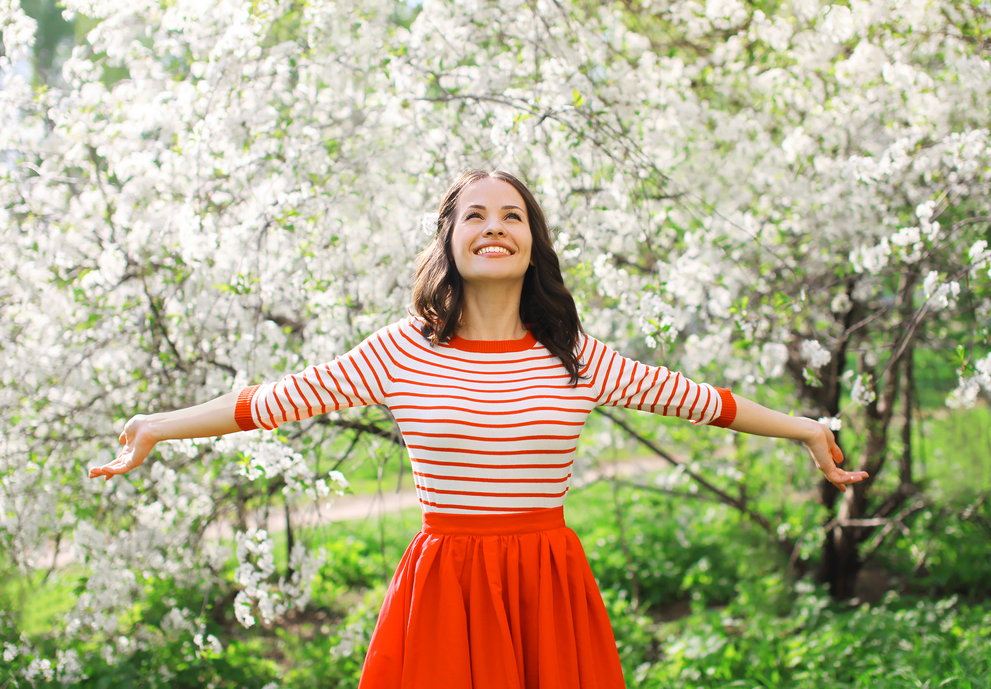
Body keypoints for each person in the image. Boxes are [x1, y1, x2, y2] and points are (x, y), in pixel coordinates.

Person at [89, 168, 868, 688]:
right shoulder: (402, 351)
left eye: (513, 216)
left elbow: (699, 400)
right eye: (476, 216)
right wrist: (156, 425)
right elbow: (273, 400)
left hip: (547, 582)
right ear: (450, 241)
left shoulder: (573, 356)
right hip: (446, 585)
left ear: (533, 242)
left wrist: (804, 428)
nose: (495, 227)